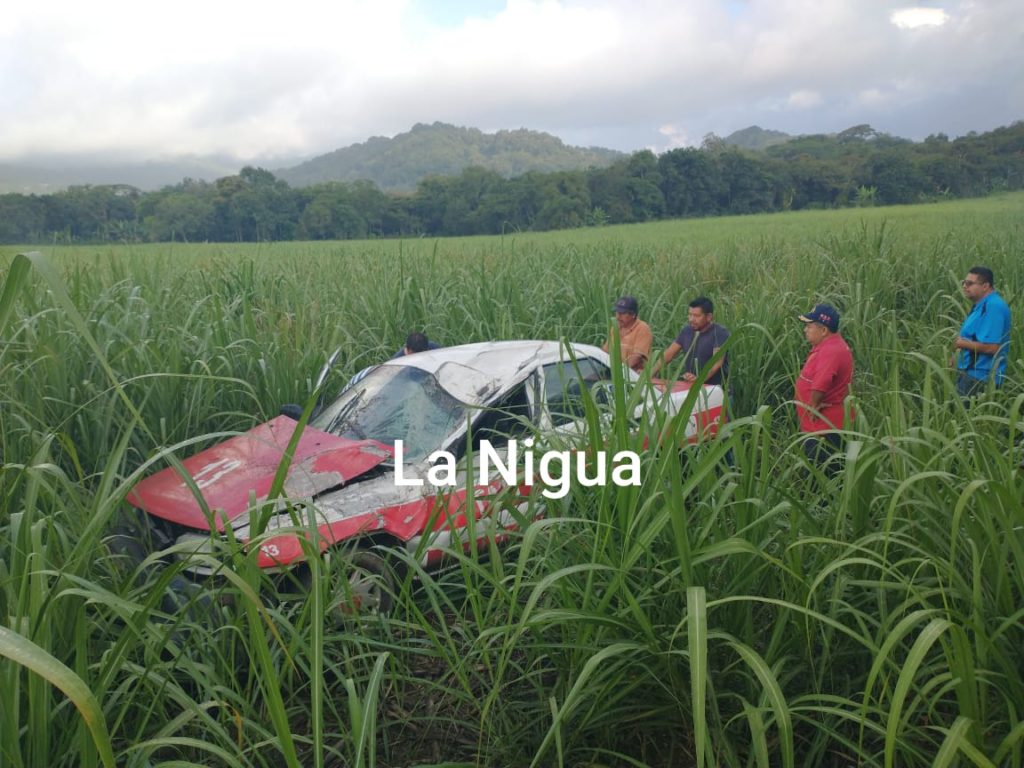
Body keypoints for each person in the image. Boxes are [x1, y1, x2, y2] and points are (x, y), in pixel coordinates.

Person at [795, 303, 853, 473]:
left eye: (809, 326)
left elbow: (821, 383)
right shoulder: (829, 347)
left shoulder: (831, 351)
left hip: (824, 429)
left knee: (819, 479)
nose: (805, 330)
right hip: (820, 426)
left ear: (824, 330)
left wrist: (812, 405)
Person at [953, 266, 1011, 398]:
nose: (964, 286)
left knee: (965, 417)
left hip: (979, 377)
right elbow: (974, 336)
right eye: (964, 282)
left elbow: (992, 347)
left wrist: (960, 343)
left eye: (970, 283)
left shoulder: (993, 306)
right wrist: (957, 356)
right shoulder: (981, 305)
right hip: (970, 373)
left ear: (985, 286)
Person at [651, 296, 730, 385]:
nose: (691, 319)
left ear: (709, 317)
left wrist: (699, 380)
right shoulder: (686, 331)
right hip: (692, 388)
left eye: (696, 316)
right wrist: (650, 374)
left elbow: (717, 363)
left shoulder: (720, 333)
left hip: (717, 390)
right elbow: (668, 355)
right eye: (690, 314)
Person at [602, 296, 653, 372]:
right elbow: (605, 352)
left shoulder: (642, 329)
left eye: (622, 313)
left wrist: (619, 372)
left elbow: (636, 358)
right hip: (613, 371)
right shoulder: (615, 328)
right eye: (617, 312)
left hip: (633, 374)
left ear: (633, 315)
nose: (618, 316)